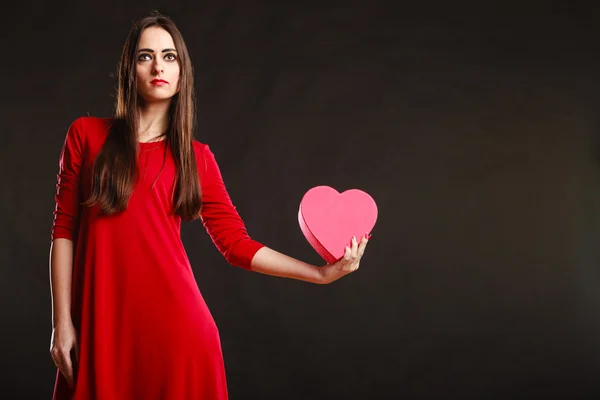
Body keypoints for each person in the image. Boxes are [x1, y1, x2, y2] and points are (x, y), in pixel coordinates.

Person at [49, 11, 370, 400]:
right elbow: (64, 229)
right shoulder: (85, 135)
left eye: (170, 57)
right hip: (100, 325)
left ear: (183, 72)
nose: (158, 67)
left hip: (176, 333)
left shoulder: (196, 158)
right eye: (145, 56)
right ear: (128, 68)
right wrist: (62, 322)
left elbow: (236, 244)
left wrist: (320, 274)